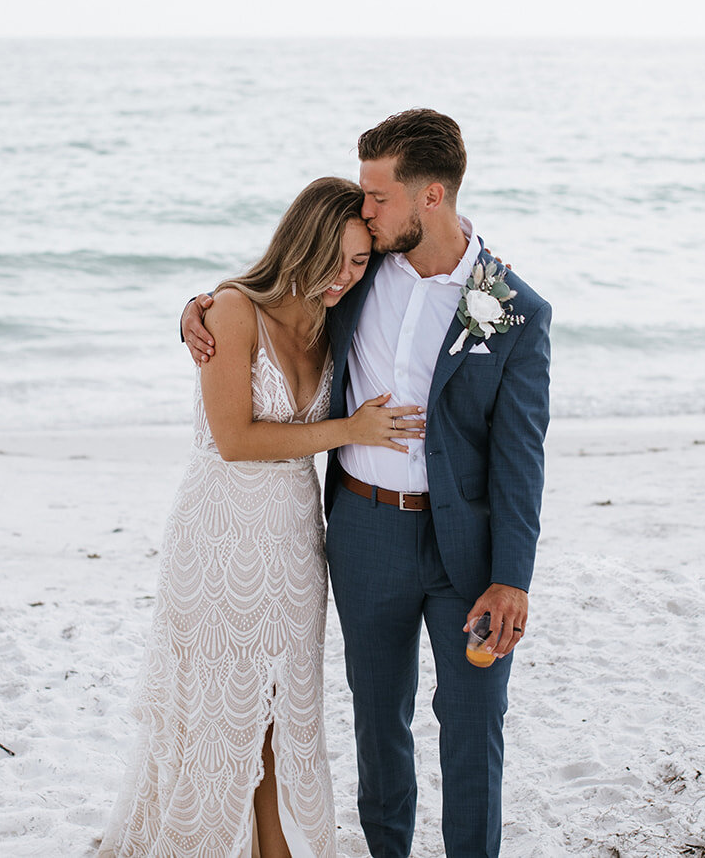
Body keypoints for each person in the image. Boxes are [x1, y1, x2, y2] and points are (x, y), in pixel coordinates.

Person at [183, 110, 552, 858]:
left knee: (475, 720)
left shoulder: (514, 312)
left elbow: (522, 457)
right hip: (363, 532)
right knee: (379, 719)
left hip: (467, 551)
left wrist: (512, 577)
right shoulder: (353, 272)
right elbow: (267, 307)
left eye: (380, 196)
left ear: (432, 197)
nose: (366, 209)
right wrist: (195, 309)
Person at [98, 176, 426, 858]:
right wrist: (348, 429)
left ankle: (275, 847)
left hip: (296, 538)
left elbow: (425, 268)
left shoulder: (342, 316)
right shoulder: (233, 312)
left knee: (284, 709)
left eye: (360, 261)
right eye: (333, 257)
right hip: (219, 533)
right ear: (299, 244)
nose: (345, 275)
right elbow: (236, 439)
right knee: (223, 708)